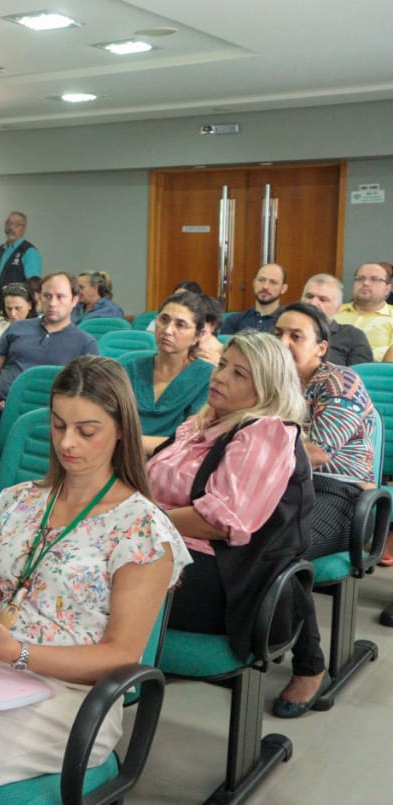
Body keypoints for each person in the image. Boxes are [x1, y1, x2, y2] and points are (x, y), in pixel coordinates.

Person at [0, 356, 189, 801]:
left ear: (120, 430)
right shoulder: (22, 500)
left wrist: (15, 651)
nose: (67, 442)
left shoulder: (142, 529)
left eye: (86, 430)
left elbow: (121, 654)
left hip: (71, 696)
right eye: (58, 426)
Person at [147, 332, 320, 717]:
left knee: (98, 570)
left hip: (224, 577)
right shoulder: (205, 423)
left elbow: (217, 521)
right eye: (223, 364)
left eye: (239, 373)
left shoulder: (266, 433)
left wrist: (135, 523)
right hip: (171, 546)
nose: (220, 376)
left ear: (266, 389)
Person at [272, 304, 380, 707]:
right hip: (276, 486)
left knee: (284, 550)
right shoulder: (269, 382)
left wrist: (251, 439)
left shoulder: (340, 382)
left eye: (295, 336)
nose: (282, 343)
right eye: (277, 333)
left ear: (321, 348)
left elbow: (316, 453)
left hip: (337, 492)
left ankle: (309, 663)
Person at [125, 291, 215, 452]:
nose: (167, 330)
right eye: (164, 320)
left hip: (171, 465)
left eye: (180, 325)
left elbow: (188, 442)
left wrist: (126, 443)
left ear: (198, 335)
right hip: (121, 461)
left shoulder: (208, 378)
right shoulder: (130, 368)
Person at [0, 272, 98, 401]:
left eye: (60, 297)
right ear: (39, 298)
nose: (52, 303)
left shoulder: (85, 343)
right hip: (0, 408)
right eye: (47, 296)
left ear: (74, 300)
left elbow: (89, 396)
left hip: (50, 414)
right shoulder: (17, 327)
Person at [301, 273, 372, 366]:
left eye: (323, 299)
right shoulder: (283, 329)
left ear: (338, 307)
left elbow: (360, 377)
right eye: (309, 296)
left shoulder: (353, 336)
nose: (313, 303)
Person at [335, 262, 393, 360]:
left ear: (387, 289)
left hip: (373, 373)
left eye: (374, 279)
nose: (365, 283)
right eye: (360, 279)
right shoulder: (333, 311)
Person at [0, 210, 41, 313]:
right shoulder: (0, 250)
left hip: (16, 310)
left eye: (16, 224)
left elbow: (33, 285)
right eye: (8, 223)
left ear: (23, 229)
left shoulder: (29, 251)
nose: (11, 227)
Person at [221, 263, 287, 334]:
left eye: (273, 282)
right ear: (254, 283)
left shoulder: (288, 322)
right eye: (261, 280)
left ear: (283, 288)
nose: (265, 286)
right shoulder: (234, 321)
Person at [0, 282, 35, 348]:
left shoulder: (40, 327)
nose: (13, 314)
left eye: (18, 308)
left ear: (30, 305)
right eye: (9, 309)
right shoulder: (0, 326)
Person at [192, 294, 225, 366]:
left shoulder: (229, 354)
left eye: (198, 321)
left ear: (213, 325)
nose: (193, 327)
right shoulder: (182, 351)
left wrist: (221, 365)